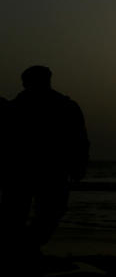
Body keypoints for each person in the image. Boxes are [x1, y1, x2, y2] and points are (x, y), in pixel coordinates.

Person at [0, 66, 89, 254]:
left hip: (29, 170)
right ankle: (25, 247)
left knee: (25, 215)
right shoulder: (65, 106)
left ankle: (24, 247)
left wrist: (79, 164)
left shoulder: (16, 107)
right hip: (33, 170)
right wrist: (79, 164)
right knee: (37, 214)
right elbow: (80, 139)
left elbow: (79, 138)